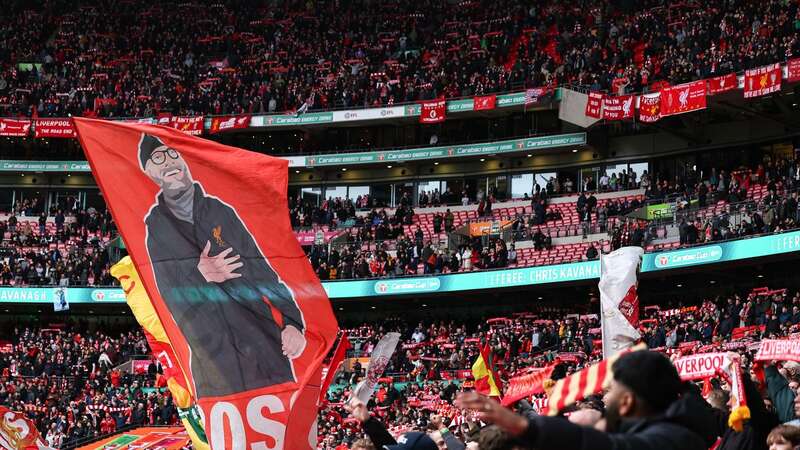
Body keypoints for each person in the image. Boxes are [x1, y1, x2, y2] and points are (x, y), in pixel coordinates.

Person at [139, 134, 306, 398]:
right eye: (158, 157)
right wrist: (200, 274)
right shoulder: (157, 230)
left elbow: (263, 272)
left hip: (263, 349)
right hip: (214, 365)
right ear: (149, 172)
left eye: (173, 154)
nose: (169, 161)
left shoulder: (220, 211)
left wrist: (292, 322)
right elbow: (167, 297)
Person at [458, 350, 716, 450]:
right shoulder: (679, 427)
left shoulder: (674, 441)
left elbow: (611, 447)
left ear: (626, 402)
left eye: (611, 390)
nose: (606, 395)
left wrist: (528, 427)